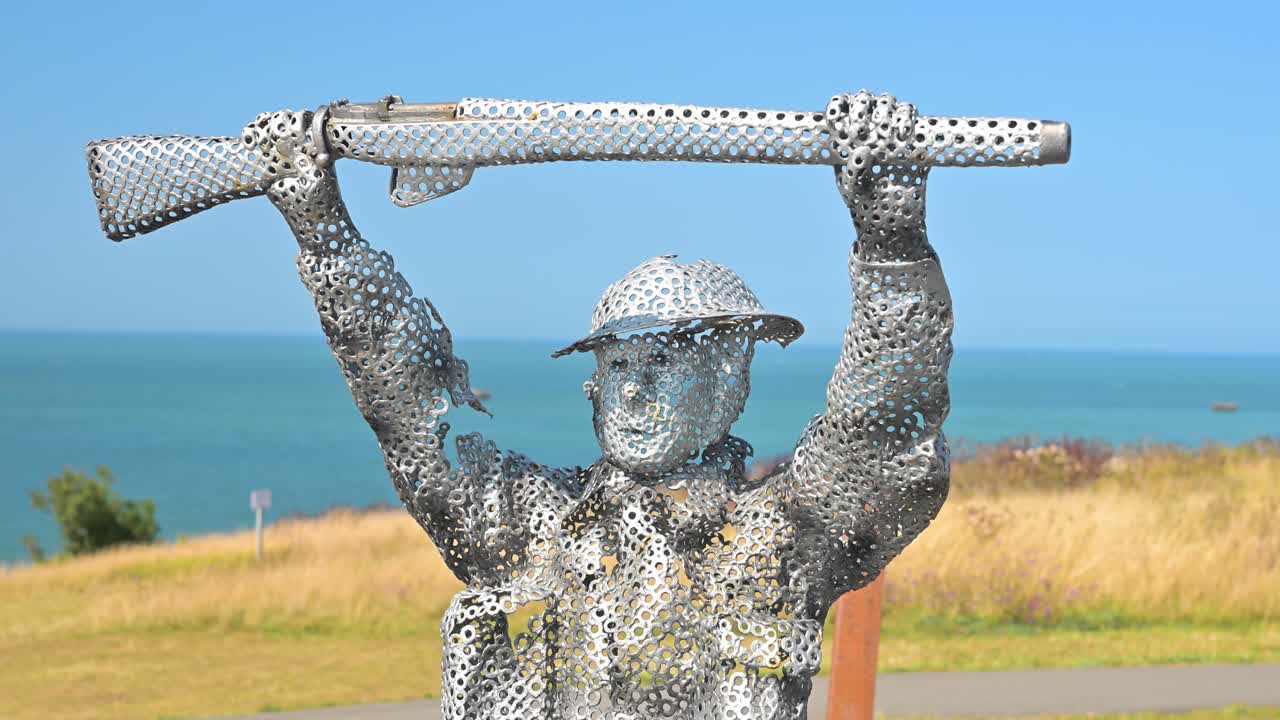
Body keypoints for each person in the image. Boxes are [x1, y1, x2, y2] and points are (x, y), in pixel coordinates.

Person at [264, 90, 952, 720]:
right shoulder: (540, 525)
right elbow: (412, 418)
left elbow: (883, 435)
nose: (630, 387)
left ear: (728, 379)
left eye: (660, 363)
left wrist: (893, 246)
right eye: (617, 364)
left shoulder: (777, 538)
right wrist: (325, 237)